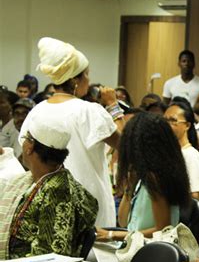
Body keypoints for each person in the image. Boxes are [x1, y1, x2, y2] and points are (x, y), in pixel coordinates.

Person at [19, 37, 123, 227]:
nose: (89, 80)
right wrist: (113, 105)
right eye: (87, 75)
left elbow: (25, 156)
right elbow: (125, 145)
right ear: (75, 79)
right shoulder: (89, 111)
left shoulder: (37, 110)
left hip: (49, 204)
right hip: (89, 204)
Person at [0, 117, 98, 260]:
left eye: (25, 138)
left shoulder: (57, 191)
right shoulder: (31, 180)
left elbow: (50, 260)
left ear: (30, 147)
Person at [95, 113, 190, 240]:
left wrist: (114, 235)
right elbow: (123, 222)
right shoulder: (143, 176)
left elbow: (162, 229)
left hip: (151, 252)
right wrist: (129, 188)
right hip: (136, 246)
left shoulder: (156, 178)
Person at [164, 100, 199, 215]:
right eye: (164, 120)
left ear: (187, 125)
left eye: (173, 121)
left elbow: (193, 200)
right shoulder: (171, 153)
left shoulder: (190, 156)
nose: (166, 125)